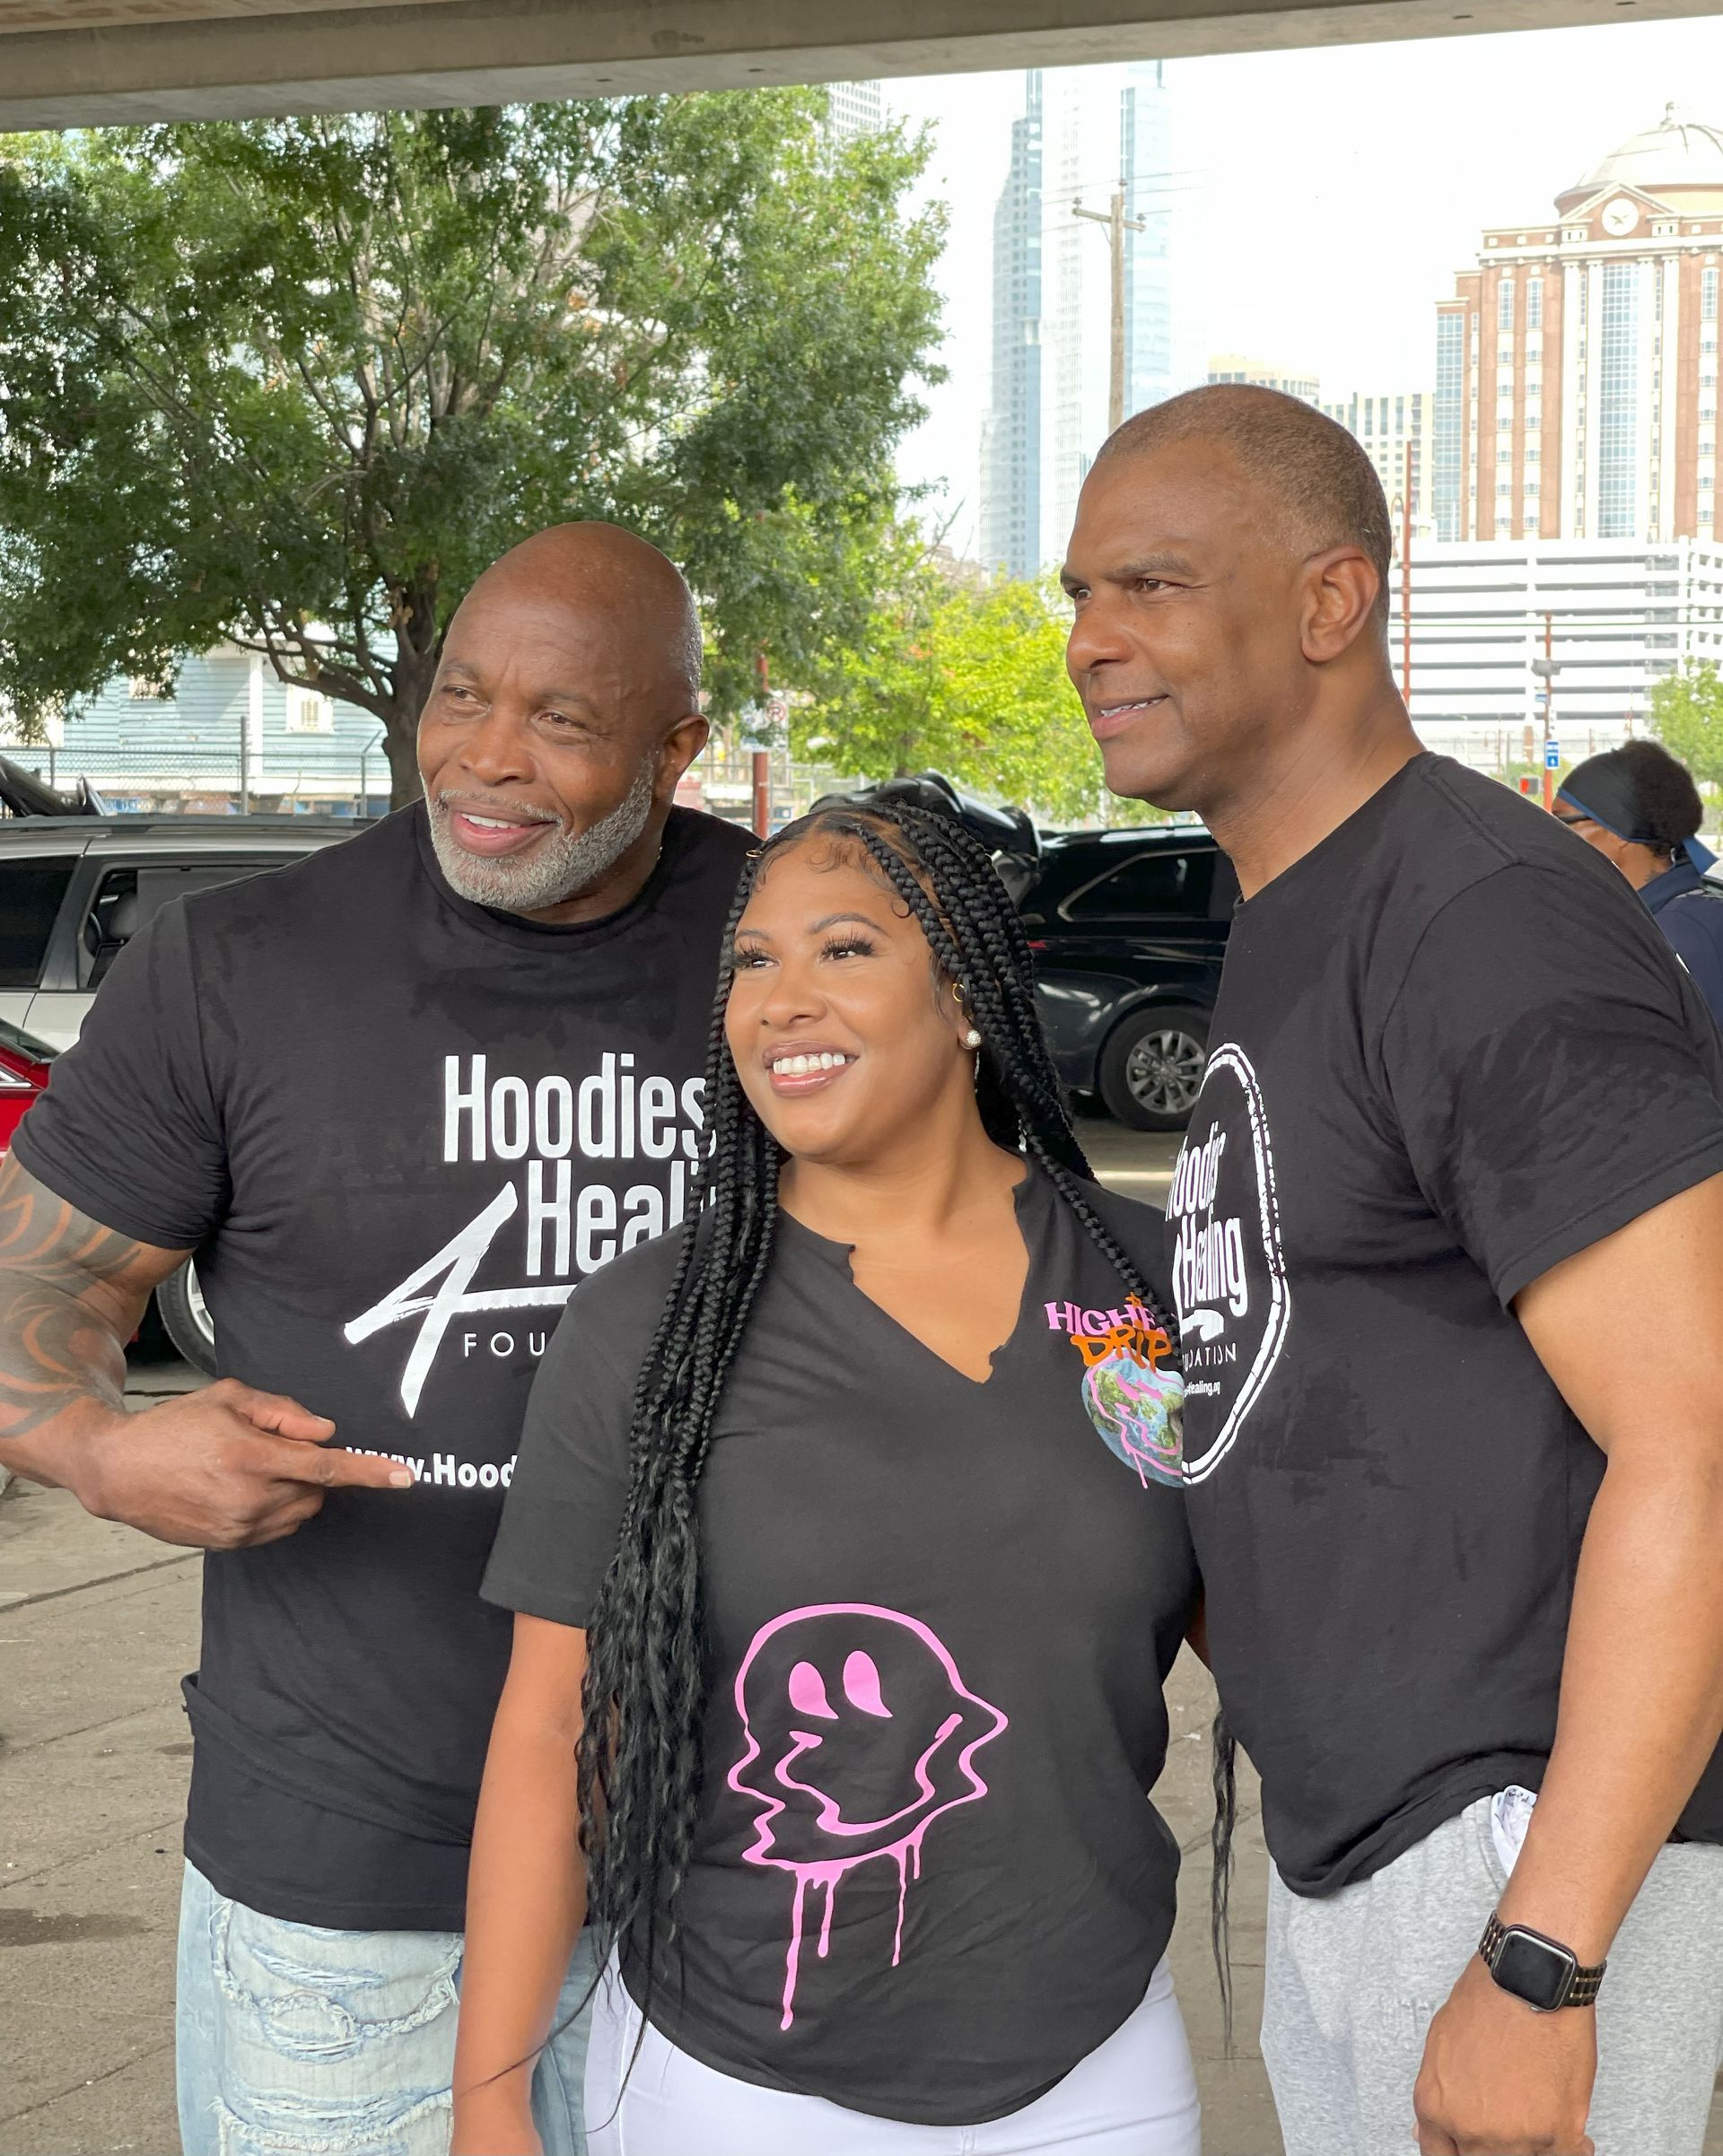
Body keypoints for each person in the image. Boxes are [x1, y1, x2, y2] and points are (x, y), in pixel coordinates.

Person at [0, 522, 751, 2156]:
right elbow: (31, 1296)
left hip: (742, 1867)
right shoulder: (238, 966)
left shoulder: (794, 955)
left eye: (562, 720)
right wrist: (102, 1449)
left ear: (678, 746)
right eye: (461, 696)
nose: (487, 757)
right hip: (359, 1889)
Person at [1062, 382, 1723, 2156]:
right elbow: (1303, 1368)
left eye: (1149, 584)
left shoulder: (1479, 914)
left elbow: (1698, 1445)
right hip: (1366, 1834)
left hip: (1516, 1844)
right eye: (1079, 592)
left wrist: (1544, 1962)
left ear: (1331, 599)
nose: (1090, 640)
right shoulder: (1296, 916)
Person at [450, 798, 1203, 2156]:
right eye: (751, 962)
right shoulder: (651, 1326)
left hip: (1093, 2065)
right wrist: (491, 2094)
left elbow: (1285, 1647)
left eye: (845, 950)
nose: (780, 1001)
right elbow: (556, 1731)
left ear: (969, 993)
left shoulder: (1153, 1286)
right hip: (731, 2079)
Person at [1554, 740, 1723, 1021]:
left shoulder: (1678, 932)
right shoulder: (1668, 912)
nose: (1552, 836)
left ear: (1618, 830)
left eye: (1561, 822)